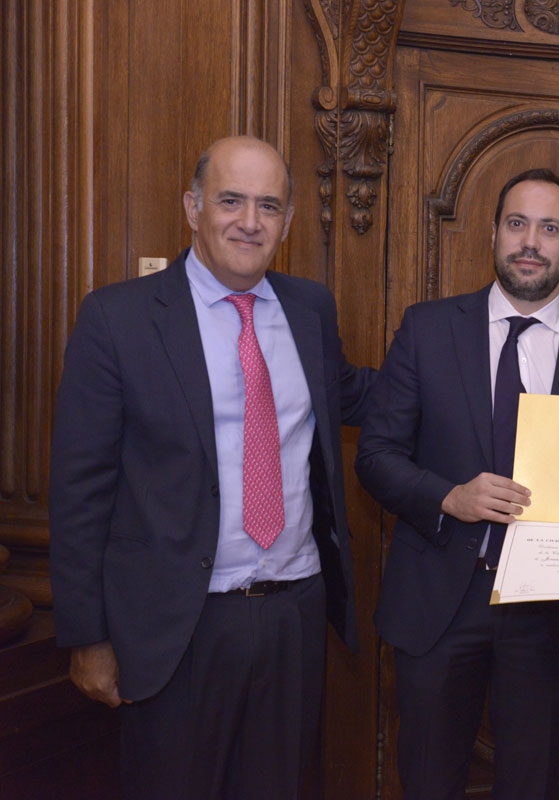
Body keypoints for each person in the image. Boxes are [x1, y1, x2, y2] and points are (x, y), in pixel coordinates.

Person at [48, 136, 375, 800]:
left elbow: (357, 395)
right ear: (193, 207)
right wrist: (88, 637)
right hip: (177, 625)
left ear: (285, 221)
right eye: (231, 200)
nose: (249, 222)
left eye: (268, 206)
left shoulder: (310, 309)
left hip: (294, 615)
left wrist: (469, 362)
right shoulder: (119, 319)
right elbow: (79, 490)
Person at [355, 168, 559, 800]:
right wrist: (448, 497)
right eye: (517, 224)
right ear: (492, 233)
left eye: (550, 228)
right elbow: (375, 455)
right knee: (428, 782)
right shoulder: (426, 330)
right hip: (437, 605)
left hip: (547, 615)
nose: (530, 241)